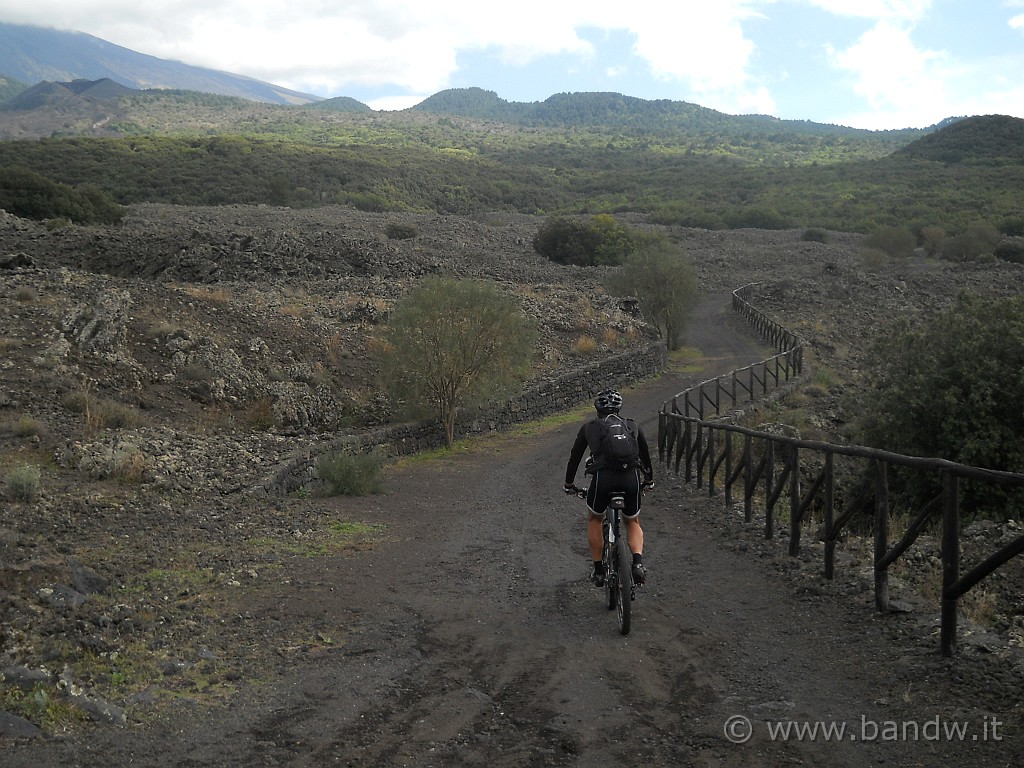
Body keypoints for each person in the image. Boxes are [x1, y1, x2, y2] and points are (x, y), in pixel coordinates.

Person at [564, 389, 654, 586]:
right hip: (630, 478)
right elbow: (645, 456)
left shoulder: (590, 427)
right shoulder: (631, 425)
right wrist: (649, 481)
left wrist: (569, 483)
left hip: (603, 479)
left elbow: (575, 457)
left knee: (595, 519)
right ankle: (637, 563)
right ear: (619, 408)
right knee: (632, 522)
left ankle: (598, 571)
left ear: (597, 408)